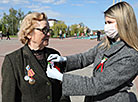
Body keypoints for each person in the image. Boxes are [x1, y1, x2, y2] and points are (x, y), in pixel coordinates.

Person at [46, 2, 138, 102]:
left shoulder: (131, 56)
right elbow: (85, 58)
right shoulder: (106, 44)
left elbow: (97, 84)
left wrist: (62, 78)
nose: (106, 26)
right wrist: (63, 60)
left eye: (110, 22)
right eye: (105, 23)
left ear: (123, 23)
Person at [1, 12, 71, 102]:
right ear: (29, 33)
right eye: (44, 30)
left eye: (49, 30)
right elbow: (9, 98)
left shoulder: (54, 55)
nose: (48, 34)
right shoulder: (13, 60)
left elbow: (63, 91)